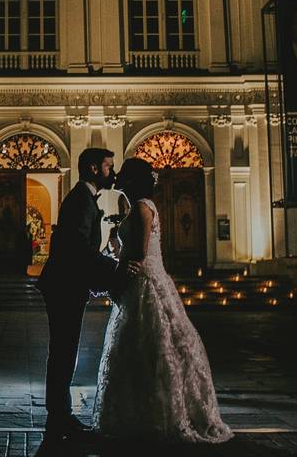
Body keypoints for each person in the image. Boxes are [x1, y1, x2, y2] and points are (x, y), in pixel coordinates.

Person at [93, 157, 233, 444]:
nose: (117, 178)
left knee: (155, 347)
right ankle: (141, 413)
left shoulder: (143, 207)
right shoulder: (134, 207)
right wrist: (115, 244)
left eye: (123, 175)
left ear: (132, 180)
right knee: (140, 350)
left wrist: (116, 273)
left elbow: (140, 253)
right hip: (141, 281)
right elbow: (130, 248)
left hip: (145, 283)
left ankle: (159, 415)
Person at [36, 147, 118, 442]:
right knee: (64, 349)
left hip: (65, 285)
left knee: (63, 349)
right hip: (64, 286)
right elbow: (79, 249)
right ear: (94, 169)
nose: (113, 173)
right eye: (109, 167)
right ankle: (59, 415)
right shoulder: (82, 201)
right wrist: (114, 270)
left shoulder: (83, 198)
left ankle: (59, 412)